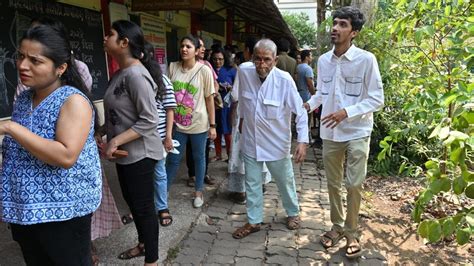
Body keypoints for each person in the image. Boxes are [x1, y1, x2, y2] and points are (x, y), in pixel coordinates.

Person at [0, 25, 101, 265]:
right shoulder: (25, 98)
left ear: (61, 67)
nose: (23, 65)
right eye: (21, 56)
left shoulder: (73, 101)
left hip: (62, 214)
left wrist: (10, 128)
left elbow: (65, 155)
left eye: (35, 60)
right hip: (25, 210)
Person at [304, 6, 384, 258]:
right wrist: (307, 105)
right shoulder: (324, 60)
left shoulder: (366, 60)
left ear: (354, 33)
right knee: (332, 183)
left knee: (354, 183)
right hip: (330, 133)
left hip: (358, 129)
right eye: (335, 23)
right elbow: (321, 93)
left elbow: (377, 99)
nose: (335, 28)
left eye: (343, 25)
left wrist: (346, 112)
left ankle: (352, 232)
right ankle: (337, 227)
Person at [232, 39, 308, 239]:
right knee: (252, 183)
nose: (262, 64)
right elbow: (240, 100)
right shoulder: (244, 72)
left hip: (277, 144)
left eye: (267, 60)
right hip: (251, 141)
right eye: (258, 59)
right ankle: (254, 221)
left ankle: (293, 212)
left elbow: (300, 112)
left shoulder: (284, 81)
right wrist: (239, 122)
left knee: (285, 181)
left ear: (275, 60)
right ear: (251, 57)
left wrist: (302, 141)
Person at [102, 20, 164, 265]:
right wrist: (102, 131)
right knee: (134, 204)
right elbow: (119, 112)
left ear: (124, 42)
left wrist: (115, 139)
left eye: (111, 34)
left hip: (141, 154)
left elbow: (150, 119)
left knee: (144, 207)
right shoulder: (120, 73)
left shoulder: (137, 75)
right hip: (124, 153)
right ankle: (143, 244)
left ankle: (152, 260)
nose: (105, 38)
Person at [166, 34, 216, 208]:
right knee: (172, 159)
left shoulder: (204, 71)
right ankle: (162, 192)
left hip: (199, 124)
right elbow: (166, 95)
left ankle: (199, 191)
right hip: (177, 125)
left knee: (199, 158)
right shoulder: (172, 67)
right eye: (182, 46)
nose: (184, 49)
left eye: (188, 46)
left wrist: (212, 125)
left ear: (196, 51)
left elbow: (209, 99)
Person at [227, 36, 272, 204]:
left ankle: (241, 191)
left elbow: (235, 95)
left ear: (248, 51)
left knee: (242, 152)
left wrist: (233, 115)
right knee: (260, 149)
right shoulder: (271, 68)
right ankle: (260, 185)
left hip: (243, 115)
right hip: (262, 116)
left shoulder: (244, 68)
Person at [146, 42, 177, 227]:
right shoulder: (133, 78)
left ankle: (162, 207)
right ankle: (146, 206)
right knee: (143, 174)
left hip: (157, 137)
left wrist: (168, 136)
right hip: (137, 138)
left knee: (159, 173)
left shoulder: (162, 80)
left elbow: (170, 110)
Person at [185, 37, 217, 187]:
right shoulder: (180, 67)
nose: (203, 49)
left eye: (204, 46)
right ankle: (192, 174)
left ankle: (203, 174)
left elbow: (214, 85)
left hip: (203, 114)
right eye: (201, 46)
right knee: (190, 148)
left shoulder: (207, 66)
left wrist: (212, 92)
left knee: (203, 148)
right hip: (187, 114)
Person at [210, 47, 236, 162]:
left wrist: (231, 88)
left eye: (220, 59)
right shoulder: (209, 69)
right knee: (217, 129)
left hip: (227, 106)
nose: (218, 62)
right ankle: (218, 154)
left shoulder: (231, 70)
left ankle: (230, 156)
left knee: (227, 130)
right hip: (214, 105)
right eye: (215, 59)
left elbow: (237, 86)